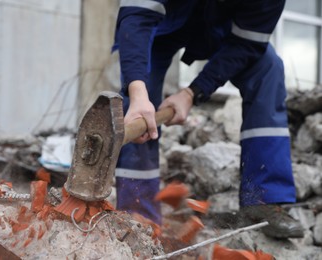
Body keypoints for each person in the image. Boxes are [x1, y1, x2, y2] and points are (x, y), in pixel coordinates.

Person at [112, 0, 304, 239]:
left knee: (268, 68)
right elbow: (137, 16)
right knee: (139, 100)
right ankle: (138, 216)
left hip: (223, 25)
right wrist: (138, 92)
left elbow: (248, 43)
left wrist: (192, 93)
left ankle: (263, 201)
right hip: (163, 23)